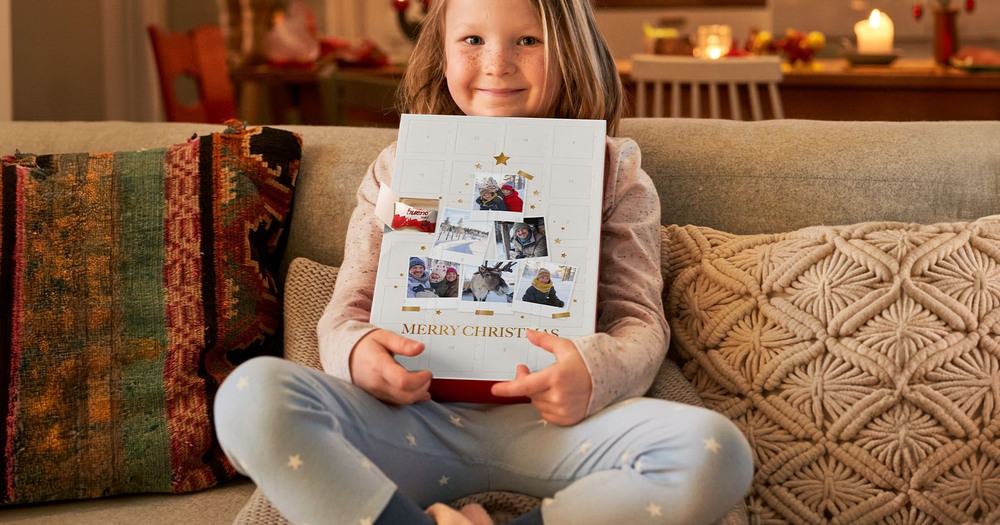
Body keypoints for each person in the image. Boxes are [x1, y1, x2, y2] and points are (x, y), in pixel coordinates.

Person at [214, 1, 753, 524]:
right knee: (248, 396)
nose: (498, 63)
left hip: (558, 431)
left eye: (528, 40)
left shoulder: (616, 171)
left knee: (717, 452)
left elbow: (638, 317)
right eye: (472, 40)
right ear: (441, 54)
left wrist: (594, 373)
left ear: (570, 50)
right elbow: (346, 310)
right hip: (411, 425)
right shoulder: (398, 168)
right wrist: (357, 355)